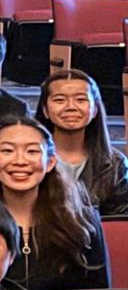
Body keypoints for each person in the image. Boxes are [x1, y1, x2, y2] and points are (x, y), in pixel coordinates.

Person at [0, 116, 109, 290]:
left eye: (32, 151)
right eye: (7, 151)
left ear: (50, 162)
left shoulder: (82, 222)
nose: (20, 161)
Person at [38, 69, 128, 215]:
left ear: (95, 110)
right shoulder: (28, 158)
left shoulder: (115, 165)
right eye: (60, 100)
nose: (71, 107)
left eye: (81, 100)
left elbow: (118, 225)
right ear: (45, 110)